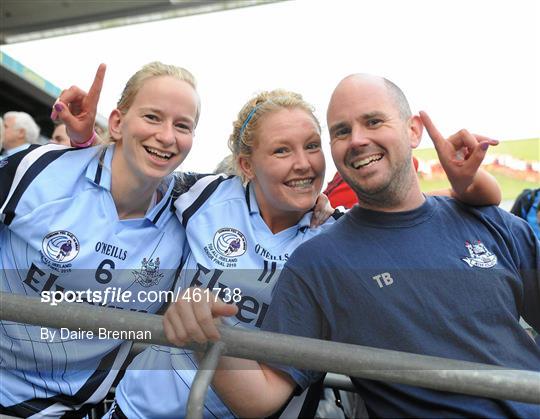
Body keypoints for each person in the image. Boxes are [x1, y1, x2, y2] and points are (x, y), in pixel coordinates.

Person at [60, 69, 500, 418]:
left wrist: (474, 183)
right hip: (140, 409)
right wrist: (85, 141)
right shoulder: (203, 196)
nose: (304, 164)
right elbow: (133, 178)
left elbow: (428, 207)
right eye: (282, 151)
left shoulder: (336, 233)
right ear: (247, 165)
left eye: (312, 146)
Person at [164, 74, 539, 418]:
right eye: (341, 131)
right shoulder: (319, 260)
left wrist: (471, 185)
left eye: (373, 122)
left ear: (413, 130)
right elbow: (261, 396)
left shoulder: (491, 221)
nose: (358, 139)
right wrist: (203, 329)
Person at [0, 61, 199, 417]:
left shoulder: (191, 218)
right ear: (118, 123)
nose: (168, 136)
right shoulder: (37, 168)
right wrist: (86, 143)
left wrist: (315, 205)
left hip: (61, 412)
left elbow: (260, 191)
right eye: (153, 117)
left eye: (182, 125)